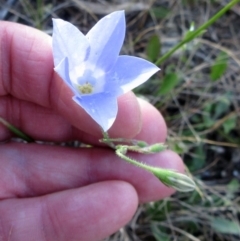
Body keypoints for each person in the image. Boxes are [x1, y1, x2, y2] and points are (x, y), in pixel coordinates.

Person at [0, 21, 184, 241]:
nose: (85, 89)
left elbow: (130, 77)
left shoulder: (102, 103)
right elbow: (62, 56)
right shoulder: (63, 70)